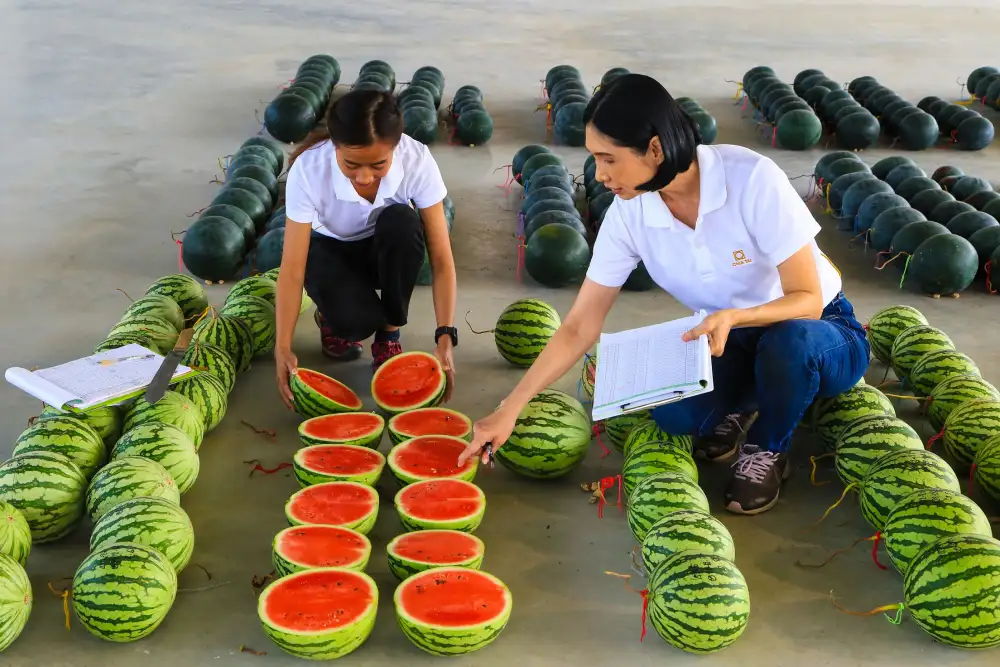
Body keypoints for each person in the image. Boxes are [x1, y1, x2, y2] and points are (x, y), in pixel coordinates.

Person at [459, 73, 869, 515]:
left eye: (609, 159)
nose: (600, 174)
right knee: (675, 417)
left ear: (655, 149)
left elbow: (807, 298)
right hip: (730, 337)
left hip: (819, 329)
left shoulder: (751, 178)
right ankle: (749, 398)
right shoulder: (629, 213)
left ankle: (768, 447)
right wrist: (511, 407)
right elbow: (579, 325)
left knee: (789, 343)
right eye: (595, 159)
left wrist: (734, 316)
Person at [274, 88, 459, 409]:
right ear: (335, 145)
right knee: (356, 324)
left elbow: (442, 258)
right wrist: (282, 346)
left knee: (403, 222)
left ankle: (389, 333)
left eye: (378, 164)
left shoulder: (417, 159)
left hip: (382, 248)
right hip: (329, 251)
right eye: (351, 164)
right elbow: (292, 269)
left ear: (396, 147)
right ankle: (330, 316)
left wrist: (445, 335)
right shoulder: (308, 169)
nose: (363, 177)